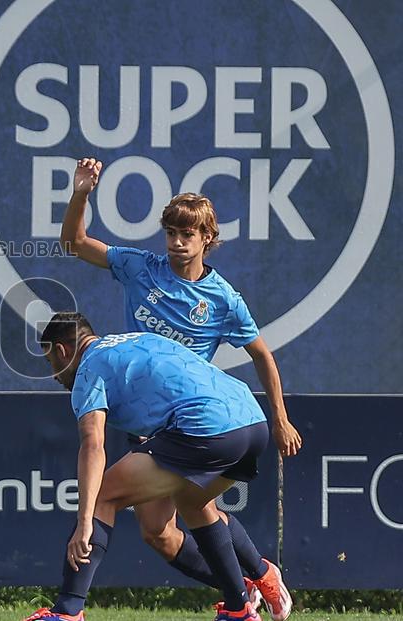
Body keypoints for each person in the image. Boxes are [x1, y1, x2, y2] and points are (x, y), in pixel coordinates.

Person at [59, 158, 296, 620]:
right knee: (159, 532)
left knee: (162, 502)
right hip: (149, 420)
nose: (176, 243)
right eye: (170, 233)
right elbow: (74, 243)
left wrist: (282, 417)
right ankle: (253, 581)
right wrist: (82, 194)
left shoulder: (223, 299)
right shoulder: (139, 268)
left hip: (190, 420)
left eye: (186, 235)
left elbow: (262, 356)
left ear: (208, 239)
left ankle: (250, 586)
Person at [28, 312, 270, 621]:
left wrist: (85, 520)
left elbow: (92, 445)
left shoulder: (89, 369)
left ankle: (68, 611)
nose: (55, 375)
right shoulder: (135, 340)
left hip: (207, 429)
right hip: (252, 422)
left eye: (52, 363)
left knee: (103, 496)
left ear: (62, 351)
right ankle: (239, 609)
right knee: (192, 504)